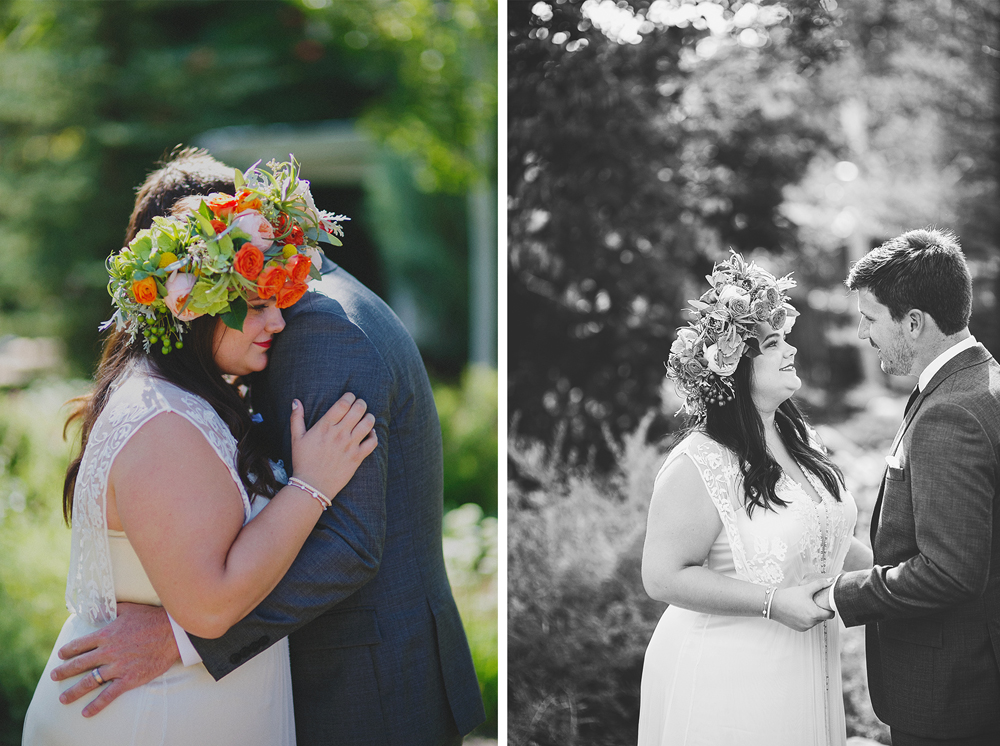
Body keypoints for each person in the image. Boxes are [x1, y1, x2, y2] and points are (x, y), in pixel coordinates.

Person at [47, 148, 486, 746]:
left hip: (362, 686)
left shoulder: (320, 330)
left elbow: (350, 543)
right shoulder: (176, 395)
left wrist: (181, 638)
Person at [638, 252, 872, 746]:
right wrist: (772, 603)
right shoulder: (697, 462)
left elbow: (823, 535)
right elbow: (661, 576)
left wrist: (893, 580)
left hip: (807, 667)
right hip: (731, 681)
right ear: (733, 365)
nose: (790, 351)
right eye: (772, 343)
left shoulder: (801, 439)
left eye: (785, 339)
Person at [814, 229, 1000, 745]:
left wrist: (839, 594)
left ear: (913, 322)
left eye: (870, 319)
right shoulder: (979, 384)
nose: (861, 334)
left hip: (953, 700)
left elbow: (950, 572)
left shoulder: (951, 413)